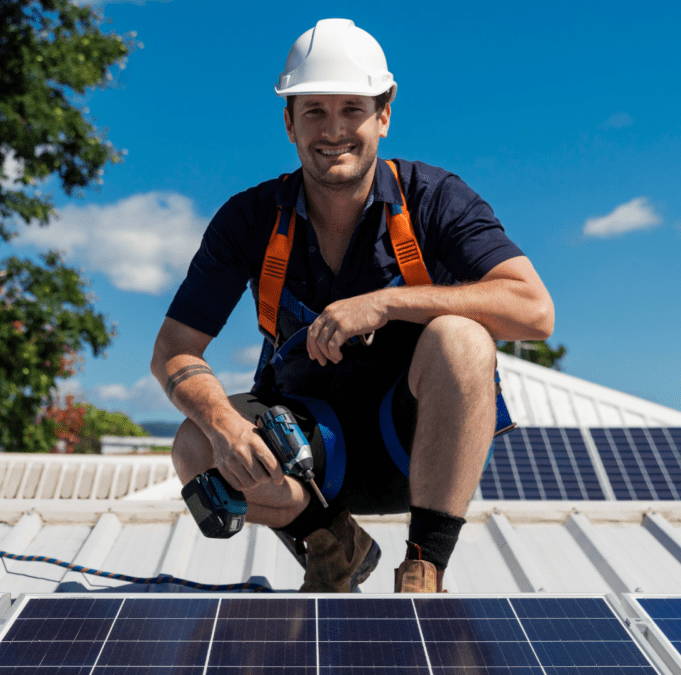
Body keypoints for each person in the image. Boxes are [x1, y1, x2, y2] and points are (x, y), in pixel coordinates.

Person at [150, 18, 553, 593]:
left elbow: (535, 310)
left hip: (414, 442)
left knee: (463, 339)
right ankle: (332, 544)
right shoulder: (249, 219)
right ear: (289, 122)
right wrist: (222, 427)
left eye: (352, 109)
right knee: (195, 443)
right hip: (312, 460)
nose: (333, 129)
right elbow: (172, 350)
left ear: (383, 115)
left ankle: (424, 567)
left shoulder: (433, 199)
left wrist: (387, 305)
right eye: (314, 110)